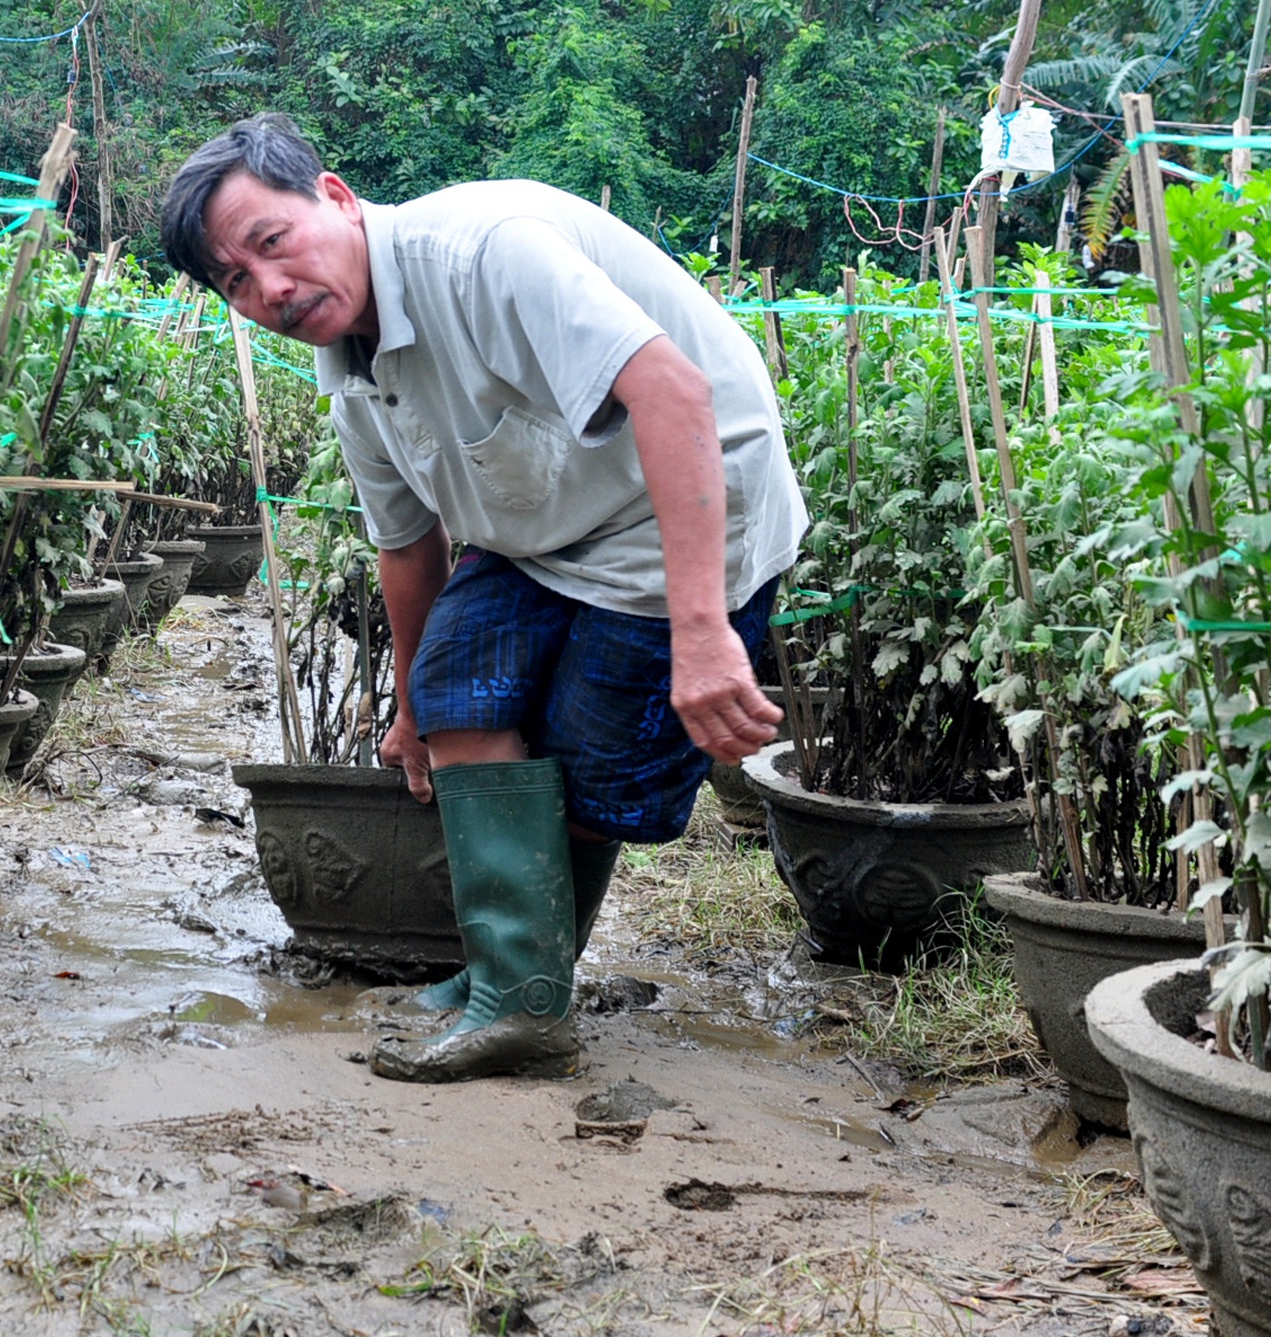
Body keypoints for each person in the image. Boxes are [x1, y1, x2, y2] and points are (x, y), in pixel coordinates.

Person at [159, 114, 806, 1083]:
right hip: (540, 527)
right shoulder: (353, 375)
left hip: (672, 509)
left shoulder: (485, 255)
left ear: (334, 196)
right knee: (458, 689)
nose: (271, 291)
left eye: (271, 243)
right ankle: (510, 979)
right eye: (238, 282)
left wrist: (702, 628)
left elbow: (676, 393)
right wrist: (412, 709)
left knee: (588, 764)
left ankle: (525, 998)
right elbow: (407, 544)